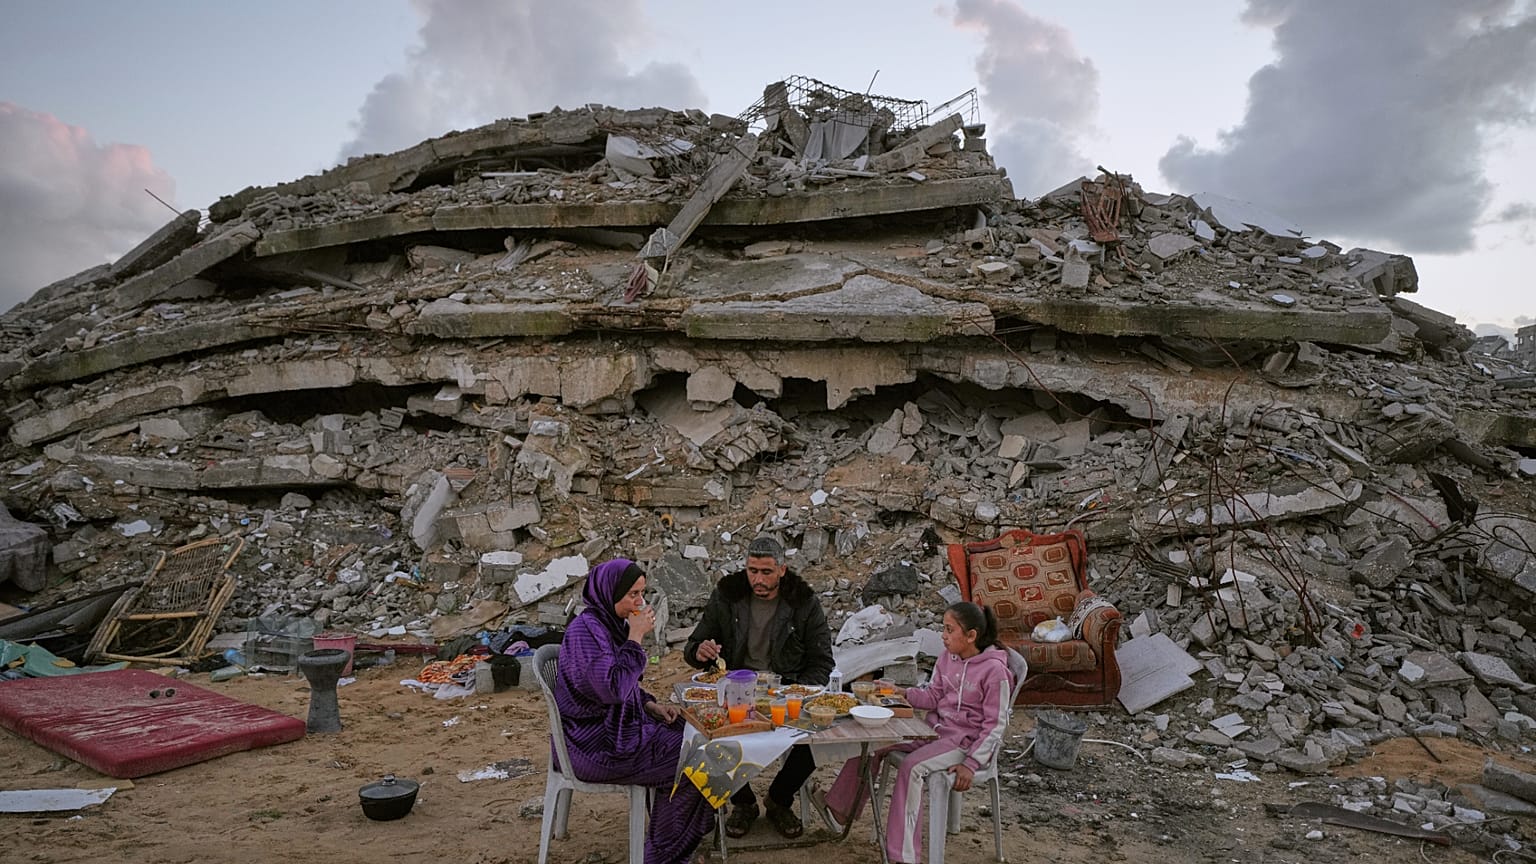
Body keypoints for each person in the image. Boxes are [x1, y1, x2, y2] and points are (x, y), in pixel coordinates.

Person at [814, 602, 1013, 864]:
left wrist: (972, 763)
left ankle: (903, 856)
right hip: (935, 731)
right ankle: (840, 810)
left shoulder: (995, 671)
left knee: (911, 768)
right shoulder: (947, 657)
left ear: (971, 636)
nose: (943, 635)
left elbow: (995, 725)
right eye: (943, 628)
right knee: (874, 742)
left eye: (949, 629)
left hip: (964, 743)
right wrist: (902, 693)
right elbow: (932, 696)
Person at [553, 558, 715, 864]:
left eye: (642, 594)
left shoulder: (606, 625)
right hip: (595, 746)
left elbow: (625, 689)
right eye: (632, 595)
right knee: (696, 758)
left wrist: (650, 705)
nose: (640, 602)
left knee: (691, 731)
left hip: (615, 730)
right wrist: (636, 637)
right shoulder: (585, 633)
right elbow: (611, 688)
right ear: (608, 592)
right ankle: (665, 855)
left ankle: (680, 837)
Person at [684, 535, 834, 839]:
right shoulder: (727, 595)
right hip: (735, 689)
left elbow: (822, 662)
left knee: (820, 736)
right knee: (709, 736)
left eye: (766, 572)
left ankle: (779, 799)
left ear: (782, 569)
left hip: (785, 690)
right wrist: (700, 651)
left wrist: (794, 690)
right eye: (752, 571)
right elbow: (694, 646)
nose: (758, 579)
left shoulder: (803, 601)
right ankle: (744, 802)